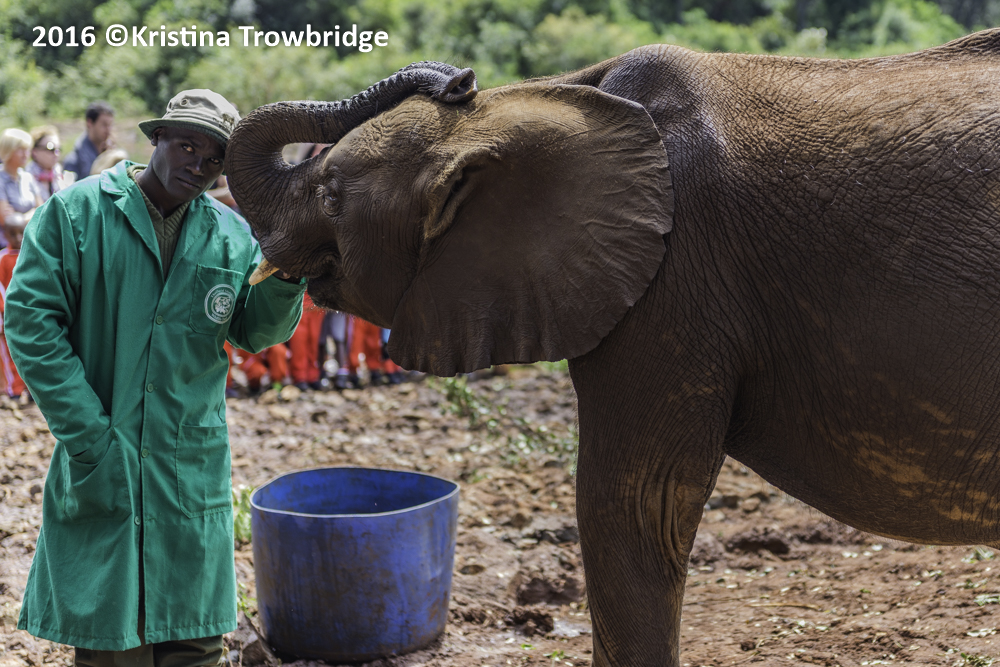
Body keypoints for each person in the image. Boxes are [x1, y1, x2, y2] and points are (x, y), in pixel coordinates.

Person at [4, 89, 306, 664]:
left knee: (195, 640)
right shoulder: (76, 214)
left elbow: (254, 330)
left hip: (187, 464)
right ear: (157, 138)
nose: (199, 164)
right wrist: (88, 433)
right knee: (113, 639)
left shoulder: (231, 235)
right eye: (187, 146)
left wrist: (288, 269)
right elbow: (30, 321)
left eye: (214, 158)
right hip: (103, 455)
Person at [0, 211, 29, 398]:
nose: (18, 238)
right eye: (13, 234)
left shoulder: (31, 253)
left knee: (31, 350)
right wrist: (4, 311)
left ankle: (31, 388)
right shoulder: (3, 258)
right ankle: (14, 390)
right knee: (10, 353)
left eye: (21, 233)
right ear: (5, 235)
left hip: (29, 312)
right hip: (8, 315)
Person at [0, 128, 42, 242]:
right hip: (8, 244)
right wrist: (33, 213)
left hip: (31, 239)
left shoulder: (28, 177)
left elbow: (41, 210)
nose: (25, 154)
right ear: (8, 150)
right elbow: (6, 220)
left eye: (27, 149)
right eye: (21, 149)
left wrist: (19, 218)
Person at [62, 101, 115, 182]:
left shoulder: (110, 152)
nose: (108, 130)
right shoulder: (74, 161)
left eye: (110, 125)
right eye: (104, 125)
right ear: (89, 123)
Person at [27, 125, 64, 202]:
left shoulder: (59, 173)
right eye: (50, 148)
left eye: (58, 149)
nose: (56, 154)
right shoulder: (26, 177)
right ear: (35, 152)